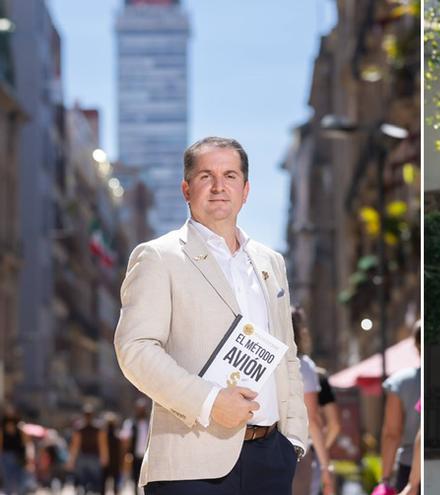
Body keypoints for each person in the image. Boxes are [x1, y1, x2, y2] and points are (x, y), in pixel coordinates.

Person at [114, 136, 308, 494]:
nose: (219, 187)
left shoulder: (271, 262)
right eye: (206, 176)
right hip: (190, 464)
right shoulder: (159, 256)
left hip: (270, 459)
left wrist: (293, 437)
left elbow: (288, 354)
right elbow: (135, 349)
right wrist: (209, 401)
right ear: (186, 190)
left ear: (246, 190)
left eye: (230, 176)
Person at [290, 308, 335, 495]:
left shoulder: (262, 360)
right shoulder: (303, 365)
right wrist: (325, 468)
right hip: (296, 452)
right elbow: (313, 421)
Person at [378, 322, 421, 493]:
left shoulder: (400, 383)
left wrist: (385, 478)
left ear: (416, 345)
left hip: (409, 466)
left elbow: (392, 434)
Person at [65, 406, 108, 495]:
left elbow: (75, 446)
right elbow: (102, 445)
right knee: (94, 483)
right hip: (93, 458)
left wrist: (71, 460)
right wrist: (104, 458)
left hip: (84, 458)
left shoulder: (80, 429)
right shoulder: (97, 429)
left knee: (83, 483)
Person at [1, 406, 34, 495]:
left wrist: (28, 458)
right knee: (8, 479)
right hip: (6, 456)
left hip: (18, 456)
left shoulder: (20, 427)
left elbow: (27, 443)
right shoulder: (2, 426)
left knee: (19, 479)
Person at [119, 398, 149, 493]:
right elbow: (125, 439)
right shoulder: (130, 423)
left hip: (147, 456)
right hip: (134, 456)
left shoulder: (149, 423)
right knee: (135, 478)